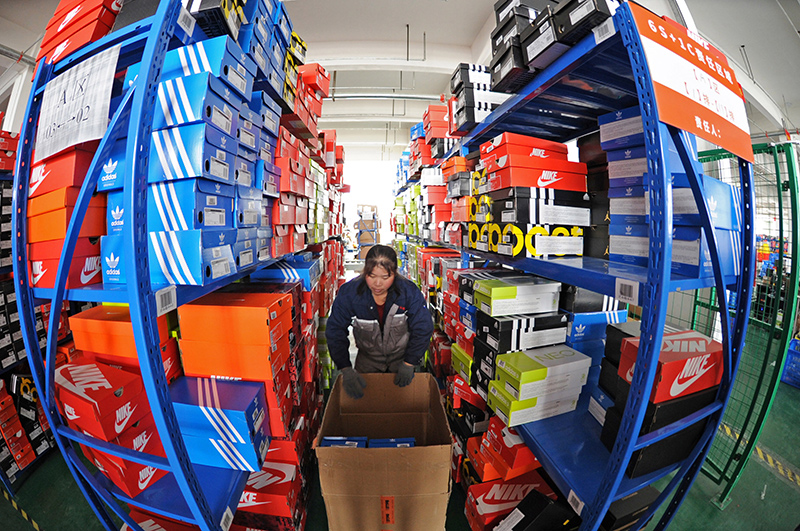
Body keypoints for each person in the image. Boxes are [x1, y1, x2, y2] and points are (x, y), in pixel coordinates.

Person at [326, 244, 434, 399]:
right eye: (371, 276)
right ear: (365, 272)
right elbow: (335, 330)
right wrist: (345, 368)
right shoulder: (350, 293)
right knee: (368, 404)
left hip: (401, 361)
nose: (377, 283)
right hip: (367, 362)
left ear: (394, 274)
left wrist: (409, 363)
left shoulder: (408, 292)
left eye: (385, 277)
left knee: (401, 403)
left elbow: (423, 327)